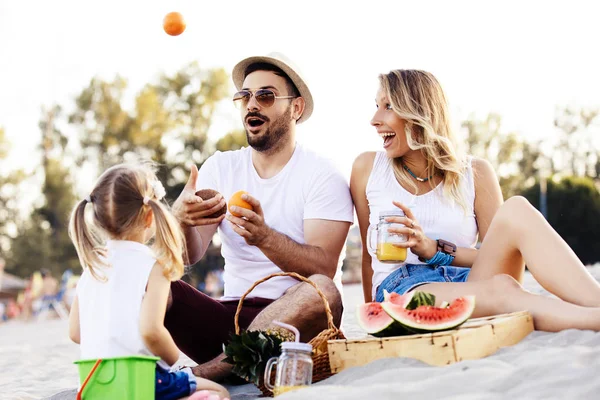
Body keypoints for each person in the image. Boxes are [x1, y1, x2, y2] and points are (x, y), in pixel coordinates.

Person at [350, 69, 600, 332]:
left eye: (388, 106)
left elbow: (501, 254)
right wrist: (375, 318)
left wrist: (434, 248)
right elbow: (369, 259)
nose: (374, 119)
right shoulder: (368, 168)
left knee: (517, 209)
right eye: (377, 106)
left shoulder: (476, 173)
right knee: (500, 291)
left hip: (473, 281)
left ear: (419, 112)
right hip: (405, 289)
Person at [167, 52, 354, 380]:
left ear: (295, 108)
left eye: (266, 96)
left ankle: (205, 374)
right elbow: (187, 254)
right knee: (149, 278)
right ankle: (152, 371)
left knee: (323, 289)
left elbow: (323, 269)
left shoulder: (322, 174)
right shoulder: (221, 167)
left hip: (294, 328)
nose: (252, 105)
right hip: (230, 323)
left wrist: (264, 237)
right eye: (245, 96)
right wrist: (179, 219)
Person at [67, 163, 230, 400]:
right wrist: (172, 357)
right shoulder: (154, 265)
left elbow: (75, 332)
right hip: (139, 381)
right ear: (149, 215)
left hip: (94, 384)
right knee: (218, 392)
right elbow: (151, 331)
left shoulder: (92, 266)